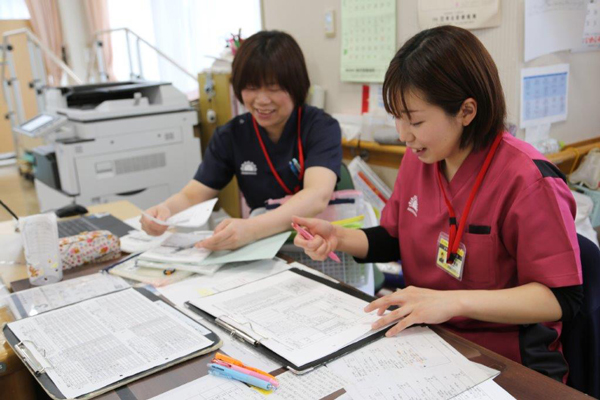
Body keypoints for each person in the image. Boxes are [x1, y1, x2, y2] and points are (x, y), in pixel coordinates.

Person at [293, 25, 583, 382]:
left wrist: (454, 302)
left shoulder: (529, 180)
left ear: (466, 111)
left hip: (507, 359)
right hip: (429, 343)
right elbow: (394, 237)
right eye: (396, 118)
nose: (402, 135)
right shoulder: (421, 158)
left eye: (414, 120)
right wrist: (337, 236)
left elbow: (561, 298)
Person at [141, 31, 342, 250]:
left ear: (296, 86)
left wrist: (251, 229)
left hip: (317, 244)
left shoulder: (320, 127)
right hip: (264, 246)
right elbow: (193, 195)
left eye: (274, 88)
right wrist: (164, 211)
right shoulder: (231, 135)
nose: (262, 100)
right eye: (251, 87)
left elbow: (317, 196)